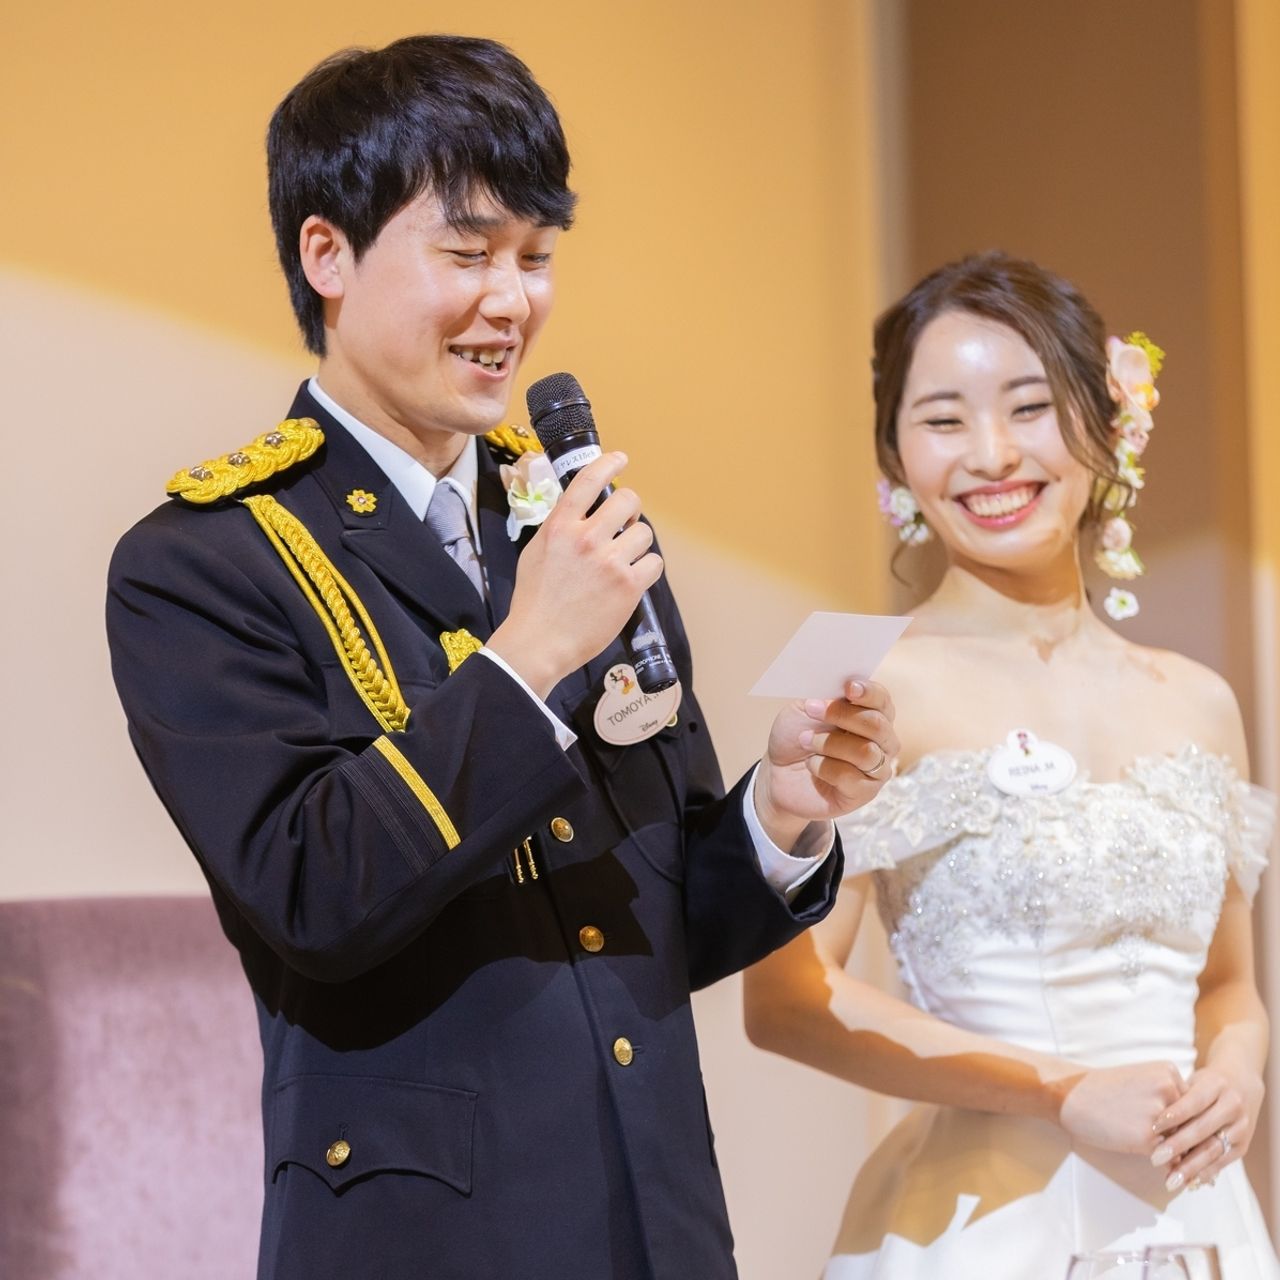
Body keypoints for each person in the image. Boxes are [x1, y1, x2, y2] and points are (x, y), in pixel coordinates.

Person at [105, 34, 899, 1280]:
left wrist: (779, 813)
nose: (512, 302)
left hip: (656, 1227)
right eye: (468, 253)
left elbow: (660, 923)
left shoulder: (571, 525)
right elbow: (314, 892)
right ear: (327, 255)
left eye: (535, 256)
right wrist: (527, 654)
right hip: (423, 1243)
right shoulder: (205, 561)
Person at [743, 252, 1279, 1278]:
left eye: (1028, 408)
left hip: (1198, 1222)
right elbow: (785, 1001)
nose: (990, 455)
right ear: (896, 458)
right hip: (987, 1229)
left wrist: (1239, 1069)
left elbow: (1226, 985)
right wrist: (1059, 1089)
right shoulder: (862, 680)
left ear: (1108, 422)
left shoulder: (1199, 698)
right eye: (942, 420)